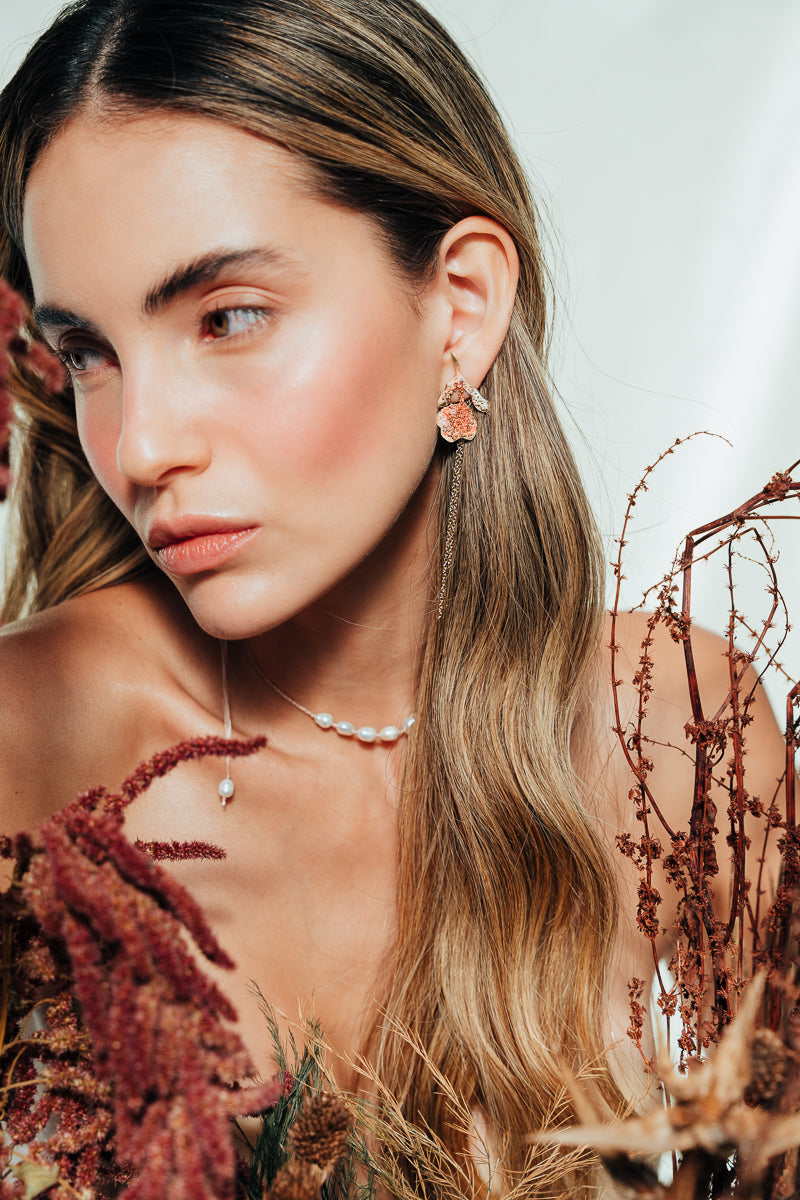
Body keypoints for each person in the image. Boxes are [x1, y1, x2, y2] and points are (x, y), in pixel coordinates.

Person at [0, 0, 788, 1194]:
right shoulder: (38, 741)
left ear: (458, 307)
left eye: (229, 317)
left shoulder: (676, 735)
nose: (142, 442)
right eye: (89, 354)